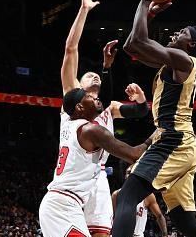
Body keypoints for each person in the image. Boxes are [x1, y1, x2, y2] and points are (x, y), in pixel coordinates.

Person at [111, 0, 196, 237]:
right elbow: (132, 46)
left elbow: (141, 41)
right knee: (185, 221)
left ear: (190, 44)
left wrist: (145, 0)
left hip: (174, 140)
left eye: (181, 33)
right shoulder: (171, 63)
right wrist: (150, 12)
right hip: (180, 142)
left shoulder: (183, 60)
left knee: (127, 196)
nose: (175, 33)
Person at [57, 0, 149, 237]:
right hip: (71, 182)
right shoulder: (72, 102)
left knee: (101, 233)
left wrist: (141, 100)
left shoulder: (108, 109)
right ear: (78, 88)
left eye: (96, 76)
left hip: (97, 177)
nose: (93, 77)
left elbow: (139, 113)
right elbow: (70, 49)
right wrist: (84, 9)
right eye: (88, 76)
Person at [39, 87, 152, 237]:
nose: (96, 98)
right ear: (79, 107)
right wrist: (155, 136)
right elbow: (134, 155)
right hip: (62, 208)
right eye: (89, 97)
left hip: (63, 205)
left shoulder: (67, 122)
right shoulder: (91, 130)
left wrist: (106, 67)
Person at [111, 165, 168, 237]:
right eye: (128, 173)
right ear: (125, 176)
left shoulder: (148, 196)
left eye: (133, 173)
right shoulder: (116, 194)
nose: (130, 175)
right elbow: (113, 217)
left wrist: (165, 234)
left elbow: (159, 216)